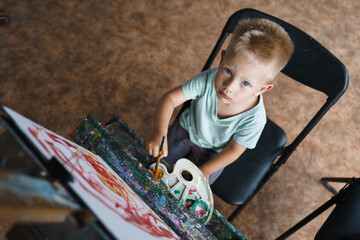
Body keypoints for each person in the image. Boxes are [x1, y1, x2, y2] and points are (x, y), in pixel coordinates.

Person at [146, 18, 294, 184]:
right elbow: (170, 98)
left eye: (245, 83)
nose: (229, 87)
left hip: (213, 153)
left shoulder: (255, 119)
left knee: (188, 188)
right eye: (228, 71)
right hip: (186, 129)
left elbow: (234, 149)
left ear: (261, 89)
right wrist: (159, 132)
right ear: (222, 59)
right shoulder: (208, 79)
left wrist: (206, 171)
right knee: (150, 165)